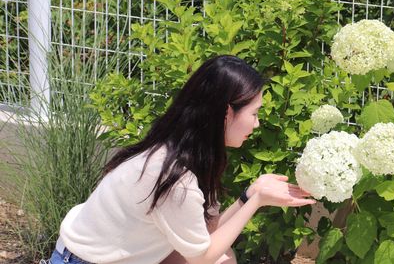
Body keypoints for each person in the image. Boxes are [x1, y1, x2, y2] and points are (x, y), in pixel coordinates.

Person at [48, 55, 316, 264]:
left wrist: (249, 194)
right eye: (254, 114)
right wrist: (256, 201)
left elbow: (203, 240)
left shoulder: (178, 153)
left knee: (223, 258)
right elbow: (202, 257)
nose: (256, 124)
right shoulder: (174, 177)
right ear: (226, 113)